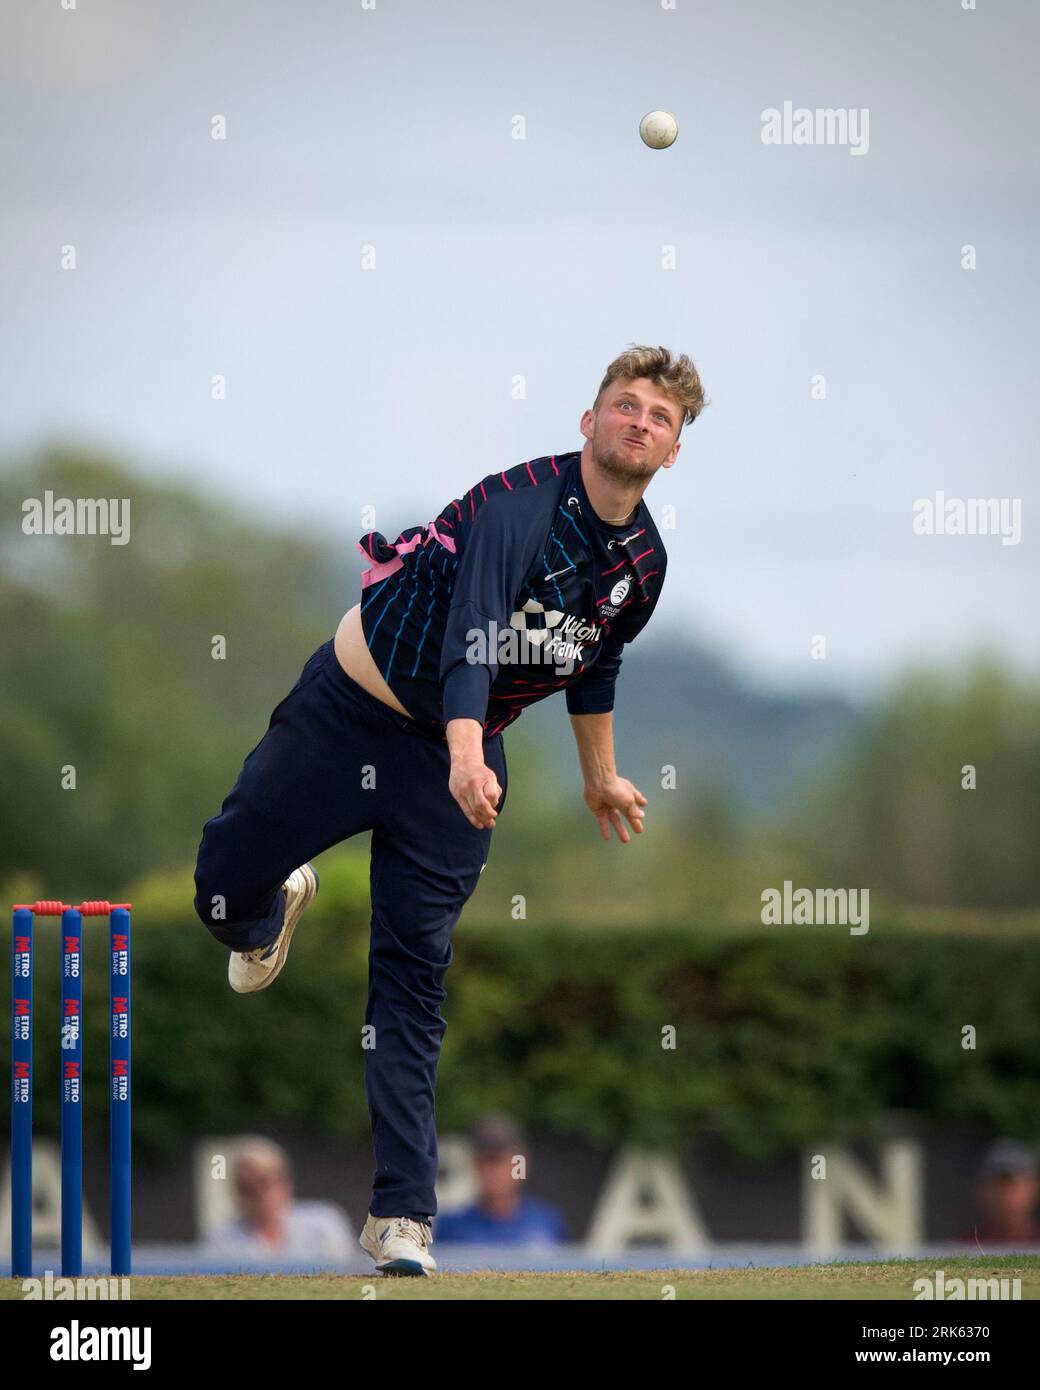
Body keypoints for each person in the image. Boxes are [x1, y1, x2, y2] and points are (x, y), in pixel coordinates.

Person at [193, 344, 707, 1277]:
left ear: (673, 452)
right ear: (588, 423)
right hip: (352, 715)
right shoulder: (519, 504)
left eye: (660, 417)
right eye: (624, 405)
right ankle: (272, 903)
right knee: (221, 898)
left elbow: (596, 658)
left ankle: (401, 1219)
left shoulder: (643, 561)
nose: (640, 421)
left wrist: (600, 774)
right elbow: (473, 629)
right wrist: (469, 752)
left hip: (454, 765)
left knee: (413, 976)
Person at [202, 1136, 355, 1263]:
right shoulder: (221, 1241)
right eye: (247, 1187)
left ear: (285, 1182)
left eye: (263, 1182)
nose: (258, 1194)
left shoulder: (325, 1223)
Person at [434, 1116, 565, 1246]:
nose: (492, 1171)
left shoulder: (547, 1222)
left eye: (499, 1161)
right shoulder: (452, 1227)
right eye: (485, 1161)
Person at [958, 1140, 1040, 1246]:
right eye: (995, 1185)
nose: (1004, 1195)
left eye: (1011, 1184)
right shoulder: (962, 1247)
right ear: (981, 1190)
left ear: (1033, 1186)